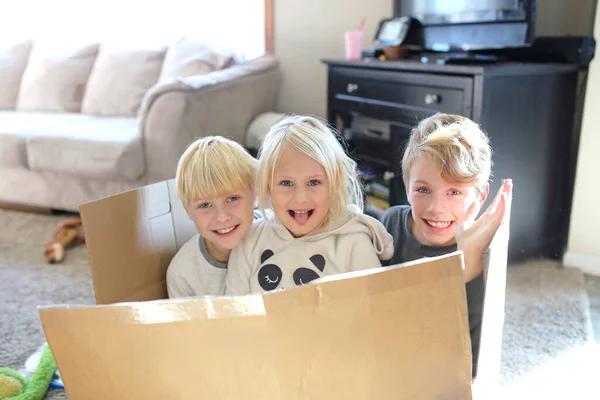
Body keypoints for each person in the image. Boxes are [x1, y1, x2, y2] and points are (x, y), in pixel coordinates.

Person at [380, 113, 512, 376]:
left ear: (480, 195)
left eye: (454, 192)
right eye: (423, 190)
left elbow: (474, 356)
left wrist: (469, 259)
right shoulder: (392, 222)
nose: (436, 208)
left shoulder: (485, 247)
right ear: (407, 187)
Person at [226, 115, 393, 295]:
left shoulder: (354, 243)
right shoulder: (250, 240)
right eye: (286, 183)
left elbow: (373, 311)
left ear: (334, 184)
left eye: (313, 183)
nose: (300, 198)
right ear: (268, 186)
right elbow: (234, 311)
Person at [166, 136, 258, 298]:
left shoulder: (280, 233)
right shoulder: (183, 276)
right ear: (187, 210)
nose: (222, 217)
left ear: (255, 195)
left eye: (232, 199)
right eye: (205, 205)